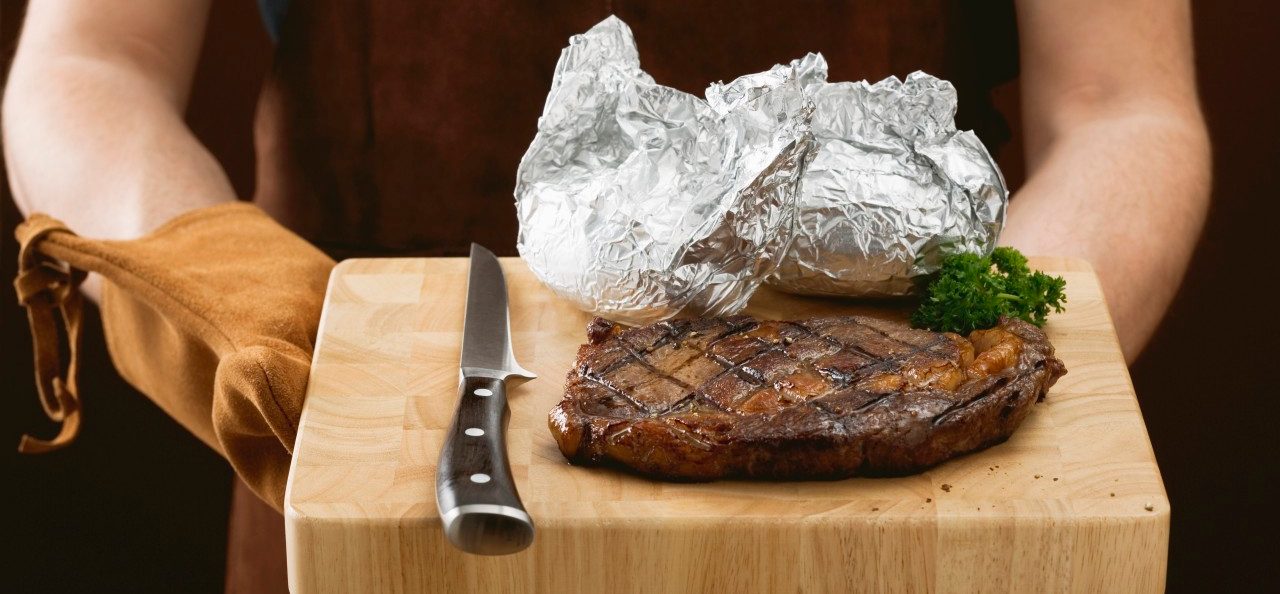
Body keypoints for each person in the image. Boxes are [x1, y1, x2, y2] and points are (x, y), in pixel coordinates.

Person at [3, 0, 1210, 590]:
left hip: (891, 518)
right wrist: (249, 316)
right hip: (367, 465)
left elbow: (1118, 104)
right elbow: (89, 65)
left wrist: (950, 388)